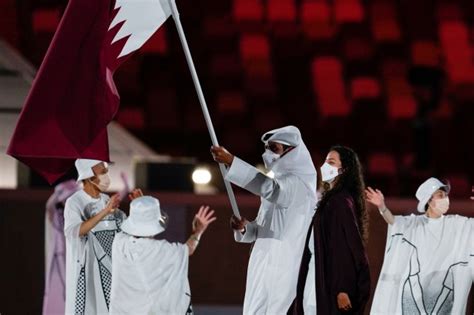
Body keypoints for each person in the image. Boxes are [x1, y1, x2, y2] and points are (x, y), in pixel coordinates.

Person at [211, 125, 318, 314]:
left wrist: (232, 162)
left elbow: (270, 188)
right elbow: (262, 229)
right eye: (267, 148)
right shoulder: (281, 182)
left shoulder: (300, 184)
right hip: (262, 261)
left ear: (291, 151)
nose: (267, 153)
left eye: (274, 148)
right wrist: (245, 228)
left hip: (283, 265)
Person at [367, 177, 474, 314]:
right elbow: (394, 222)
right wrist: (382, 207)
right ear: (428, 200)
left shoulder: (455, 224)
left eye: (446, 195)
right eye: (440, 195)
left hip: (442, 301)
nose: (445, 199)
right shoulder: (414, 223)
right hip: (412, 298)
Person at [291, 145, 370, 315]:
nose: (324, 166)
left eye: (331, 162)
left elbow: (345, 249)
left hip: (329, 286)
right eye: (325, 161)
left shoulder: (340, 202)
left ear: (344, 169)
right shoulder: (330, 201)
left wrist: (343, 288)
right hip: (316, 277)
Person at [109, 196, 216, 314]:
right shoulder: (162, 250)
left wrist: (142, 211)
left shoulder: (119, 242)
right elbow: (189, 249)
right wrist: (198, 231)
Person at [64, 159, 142, 314]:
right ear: (89, 177)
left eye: (107, 171)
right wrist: (105, 212)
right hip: (86, 277)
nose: (107, 176)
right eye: (103, 172)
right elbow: (75, 231)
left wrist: (140, 206)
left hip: (111, 277)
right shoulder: (74, 202)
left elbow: (128, 230)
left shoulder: (107, 200)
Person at [43, 180, 80, 315]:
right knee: (60, 293)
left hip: (73, 260)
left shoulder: (76, 217)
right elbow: (49, 207)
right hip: (59, 258)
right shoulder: (57, 216)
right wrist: (59, 192)